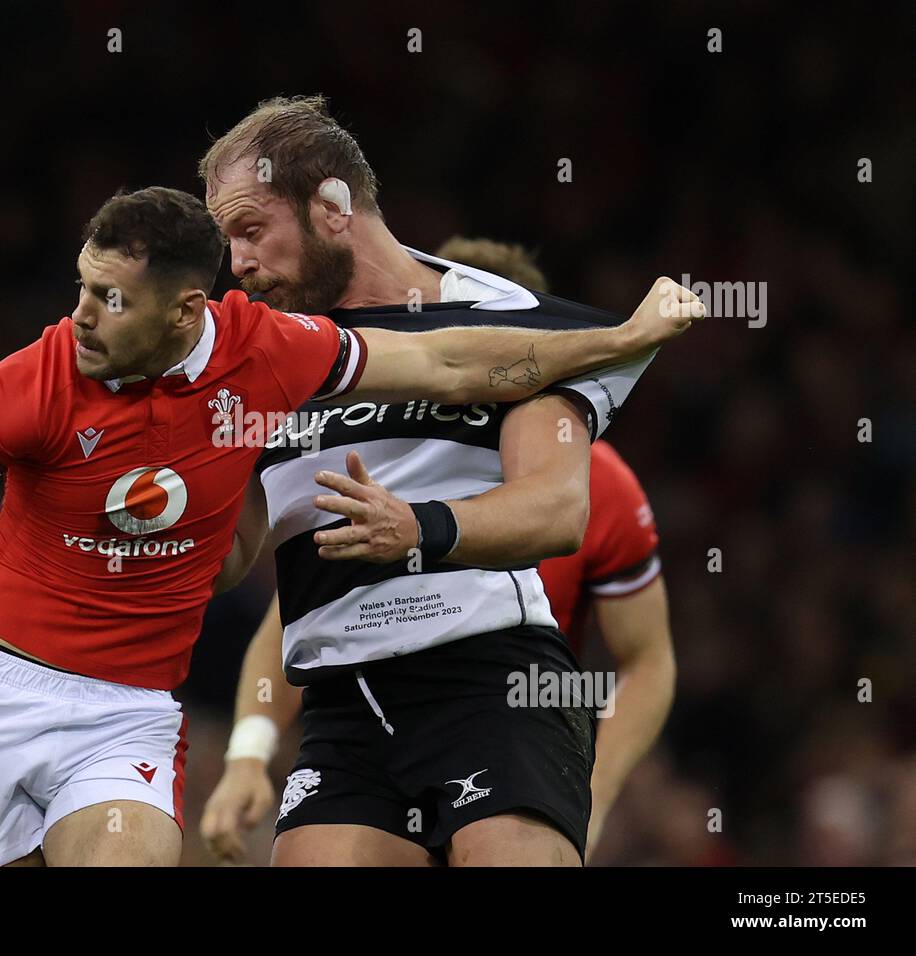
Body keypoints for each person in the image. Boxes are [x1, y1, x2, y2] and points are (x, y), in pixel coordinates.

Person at [0, 185, 695, 867]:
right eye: (81, 286)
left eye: (108, 298)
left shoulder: (269, 352)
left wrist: (616, 340)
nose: (78, 315)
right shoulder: (38, 379)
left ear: (184, 312)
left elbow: (451, 360)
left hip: (127, 715)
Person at [201, 96, 700, 866]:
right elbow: (240, 563)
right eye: (226, 240)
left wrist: (423, 528)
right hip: (341, 704)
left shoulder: (514, 324)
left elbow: (558, 511)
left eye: (251, 230)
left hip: (488, 683)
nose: (236, 263)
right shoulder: (262, 358)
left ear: (332, 205)